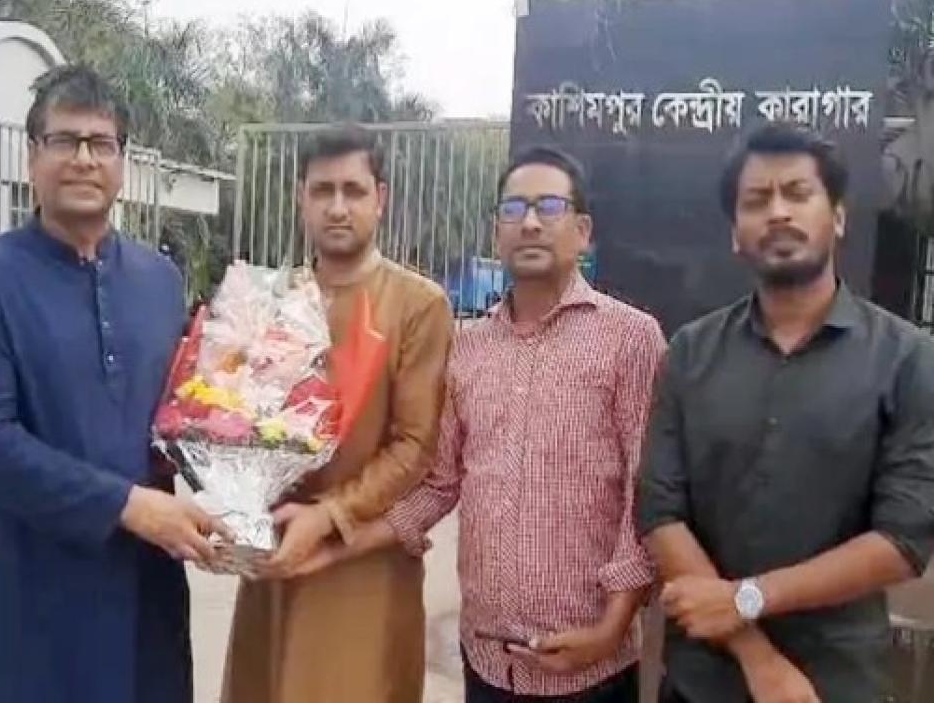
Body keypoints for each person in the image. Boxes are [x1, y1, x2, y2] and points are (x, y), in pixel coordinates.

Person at [299, 147, 665, 702]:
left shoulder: (630, 340)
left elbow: (647, 494)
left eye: (549, 207)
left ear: (583, 231)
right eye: (514, 209)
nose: (531, 223)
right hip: (489, 666)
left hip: (592, 666)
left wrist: (612, 628)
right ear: (497, 233)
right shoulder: (469, 348)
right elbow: (439, 484)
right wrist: (335, 542)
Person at [0, 63, 229, 703]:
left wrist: (244, 483)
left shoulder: (159, 282)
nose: (84, 159)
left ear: (123, 163)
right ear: (32, 156)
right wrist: (129, 506)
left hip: (146, 609)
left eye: (101, 143)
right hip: (32, 617)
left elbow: (182, 420)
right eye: (64, 140)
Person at [638, 122, 934, 703]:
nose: (777, 212)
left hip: (836, 683)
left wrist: (748, 596)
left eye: (798, 193)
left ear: (838, 217)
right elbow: (659, 511)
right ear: (735, 234)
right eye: (756, 200)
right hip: (701, 682)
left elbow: (904, 539)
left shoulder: (907, 358)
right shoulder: (691, 352)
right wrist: (757, 655)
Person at [220, 125, 455, 703]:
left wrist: (329, 515)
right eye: (322, 190)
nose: (338, 207)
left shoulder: (418, 305)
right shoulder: (272, 300)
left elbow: (415, 446)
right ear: (301, 198)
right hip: (275, 551)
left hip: (361, 563)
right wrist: (230, 503)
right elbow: (235, 419)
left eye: (353, 190)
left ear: (381, 198)